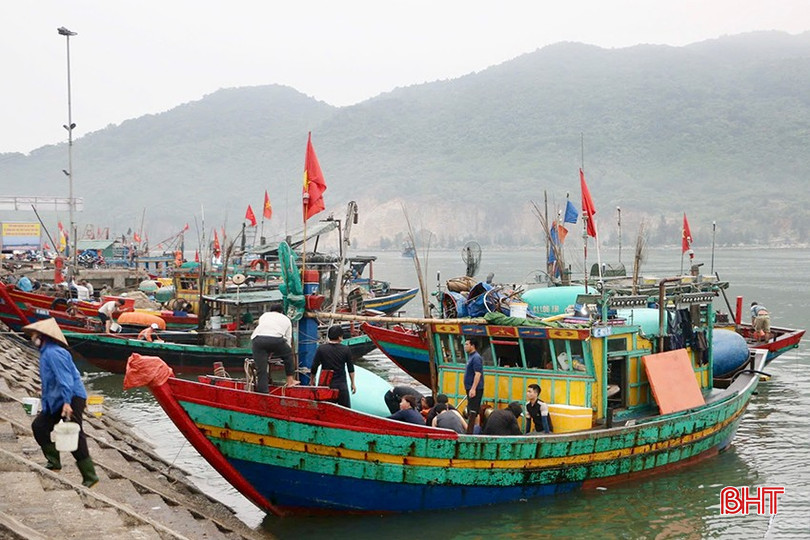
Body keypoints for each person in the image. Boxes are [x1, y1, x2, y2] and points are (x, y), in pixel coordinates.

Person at [22, 318, 99, 487]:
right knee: (40, 427)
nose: (32, 337)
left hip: (71, 398)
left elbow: (66, 380)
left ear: (42, 337)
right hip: (57, 399)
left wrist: (67, 403)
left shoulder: (54, 353)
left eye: (34, 335)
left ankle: (90, 476)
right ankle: (54, 462)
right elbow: (52, 379)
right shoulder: (45, 353)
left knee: (74, 435)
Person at [250, 304, 296, 392]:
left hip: (258, 340)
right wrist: (285, 352)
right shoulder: (286, 319)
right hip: (276, 340)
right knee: (288, 355)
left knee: (261, 369)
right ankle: (290, 381)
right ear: (282, 312)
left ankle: (263, 391)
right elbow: (288, 339)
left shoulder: (264, 316)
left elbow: (265, 330)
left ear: (270, 310)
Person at [310, 325, 356, 408]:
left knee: (325, 409)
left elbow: (314, 366)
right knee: (345, 410)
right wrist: (353, 383)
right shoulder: (346, 349)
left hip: (326, 385)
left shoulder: (321, 349)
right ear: (340, 337)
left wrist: (312, 380)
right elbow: (350, 368)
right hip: (341, 385)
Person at [463, 339, 484, 434]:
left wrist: (473, 388)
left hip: (475, 388)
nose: (465, 346)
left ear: (472, 345)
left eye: (467, 344)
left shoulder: (476, 358)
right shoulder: (470, 357)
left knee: (473, 411)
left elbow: (478, 374)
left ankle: (474, 431)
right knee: (473, 409)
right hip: (469, 387)